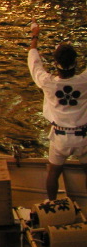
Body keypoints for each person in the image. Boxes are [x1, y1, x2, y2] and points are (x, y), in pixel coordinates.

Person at [28, 23, 87, 200]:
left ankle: (52, 204)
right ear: (75, 62)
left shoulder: (48, 82)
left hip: (60, 137)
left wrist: (34, 36)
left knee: (54, 172)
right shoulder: (84, 81)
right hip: (84, 136)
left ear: (56, 64)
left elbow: (34, 63)